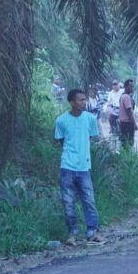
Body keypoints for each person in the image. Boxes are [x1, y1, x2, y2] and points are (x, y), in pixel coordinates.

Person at [54, 89, 108, 246]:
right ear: (72, 102)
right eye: (80, 100)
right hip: (67, 166)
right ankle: (73, 233)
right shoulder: (61, 121)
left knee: (89, 201)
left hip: (84, 167)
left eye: (85, 99)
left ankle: (92, 232)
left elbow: (90, 137)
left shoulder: (90, 119)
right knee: (68, 202)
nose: (84, 102)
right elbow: (61, 141)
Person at [118, 79, 137, 148]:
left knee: (124, 143)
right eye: (130, 86)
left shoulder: (123, 96)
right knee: (129, 143)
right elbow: (129, 111)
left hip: (123, 123)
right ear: (126, 87)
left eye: (132, 86)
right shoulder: (126, 97)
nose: (132, 88)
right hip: (127, 124)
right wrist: (134, 123)